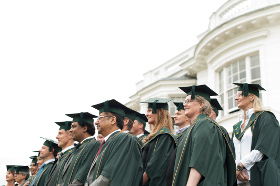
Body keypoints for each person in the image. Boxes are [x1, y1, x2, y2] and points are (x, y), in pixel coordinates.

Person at [172, 85, 236, 186]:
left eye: (189, 101)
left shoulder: (205, 124)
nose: (185, 104)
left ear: (202, 104)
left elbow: (198, 163)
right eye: (185, 101)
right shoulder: (195, 127)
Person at [231, 83, 280, 186]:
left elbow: (262, 150)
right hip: (239, 180)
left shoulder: (265, 118)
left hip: (257, 179)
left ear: (252, 97)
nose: (236, 98)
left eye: (240, 94)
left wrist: (240, 166)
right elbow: (232, 153)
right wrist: (237, 171)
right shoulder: (237, 126)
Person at [86, 99, 143, 186]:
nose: (96, 122)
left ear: (113, 120)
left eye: (100, 118)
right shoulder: (107, 142)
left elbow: (106, 177)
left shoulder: (125, 139)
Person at [141, 98, 177, 186]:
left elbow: (154, 166)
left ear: (161, 111)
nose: (146, 114)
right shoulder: (155, 135)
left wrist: (137, 182)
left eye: (149, 111)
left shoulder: (165, 136)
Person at [59, 112, 100, 186]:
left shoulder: (94, 144)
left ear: (84, 128)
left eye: (73, 126)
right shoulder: (77, 148)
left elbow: (81, 176)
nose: (70, 130)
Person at [166, 102, 190, 186]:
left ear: (187, 117)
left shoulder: (189, 134)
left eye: (178, 114)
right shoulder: (175, 136)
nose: (174, 116)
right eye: (175, 114)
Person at [47, 121, 75, 186]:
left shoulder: (73, 156)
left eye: (60, 133)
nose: (57, 137)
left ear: (70, 135)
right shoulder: (61, 157)